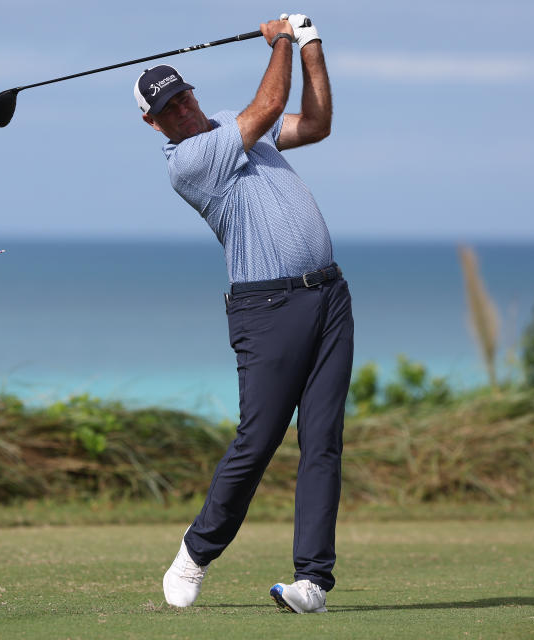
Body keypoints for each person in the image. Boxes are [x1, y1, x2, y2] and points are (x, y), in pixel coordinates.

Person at [134, 14, 353, 613]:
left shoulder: (233, 123)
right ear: (152, 123)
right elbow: (270, 102)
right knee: (258, 440)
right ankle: (195, 553)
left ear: (191, 93)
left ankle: (312, 581)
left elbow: (315, 123)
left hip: (328, 295)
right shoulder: (189, 161)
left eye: (182, 96)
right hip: (268, 307)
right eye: (166, 109)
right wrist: (280, 37)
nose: (179, 109)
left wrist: (310, 46)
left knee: (323, 441)